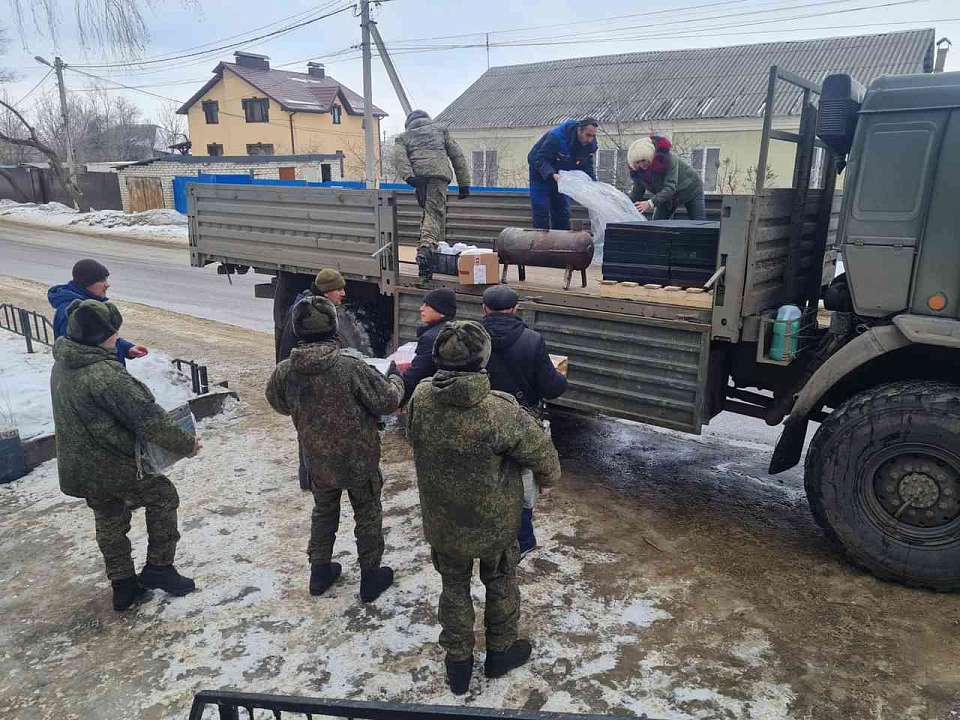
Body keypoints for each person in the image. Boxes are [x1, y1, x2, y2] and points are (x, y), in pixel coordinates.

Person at [406, 321, 561, 695]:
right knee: (501, 583)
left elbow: (412, 435)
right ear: (484, 358)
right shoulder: (501, 411)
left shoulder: (421, 399)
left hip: (444, 521)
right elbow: (547, 464)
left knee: (453, 587)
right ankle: (500, 652)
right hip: (496, 523)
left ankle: (458, 663)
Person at [51, 299, 200, 612]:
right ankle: (160, 568)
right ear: (98, 337)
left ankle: (123, 584)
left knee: (108, 518)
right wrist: (186, 444)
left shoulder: (64, 363)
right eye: (113, 333)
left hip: (80, 466)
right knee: (162, 496)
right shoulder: (106, 376)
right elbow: (149, 418)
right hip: (113, 463)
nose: (117, 337)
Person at [266, 295, 404, 602]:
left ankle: (319, 573)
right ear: (333, 326)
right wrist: (396, 378)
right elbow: (388, 401)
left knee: (323, 511)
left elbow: (278, 403)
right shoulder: (351, 367)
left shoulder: (286, 370)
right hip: (360, 458)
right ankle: (370, 576)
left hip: (316, 458)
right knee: (367, 513)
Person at [481, 285, 567, 558]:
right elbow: (551, 387)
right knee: (521, 482)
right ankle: (523, 539)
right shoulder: (532, 340)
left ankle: (488, 533)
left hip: (481, 418)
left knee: (485, 477)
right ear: (516, 309)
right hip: (521, 421)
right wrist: (561, 376)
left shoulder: (472, 338)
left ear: (484, 309)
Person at [394, 110, 472, 284]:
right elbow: (457, 156)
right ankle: (426, 249)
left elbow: (399, 158)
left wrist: (410, 178)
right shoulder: (440, 130)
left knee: (428, 213)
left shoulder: (403, 137)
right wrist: (464, 184)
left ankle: (429, 251)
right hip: (439, 176)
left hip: (419, 178)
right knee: (434, 213)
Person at [48, 259, 148, 366]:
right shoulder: (77, 312)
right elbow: (79, 352)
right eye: (101, 281)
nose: (107, 285)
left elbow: (101, 338)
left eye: (106, 280)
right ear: (86, 283)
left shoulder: (87, 307)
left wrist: (127, 348)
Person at [277, 268, 368, 362]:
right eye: (339, 289)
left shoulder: (322, 308)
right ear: (326, 292)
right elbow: (287, 349)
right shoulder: (303, 312)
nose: (343, 293)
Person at [527, 118, 599, 231]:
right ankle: (540, 242)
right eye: (588, 135)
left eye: (593, 136)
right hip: (540, 170)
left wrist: (594, 184)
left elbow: (587, 165)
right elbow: (540, 159)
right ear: (579, 131)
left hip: (561, 174)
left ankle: (561, 241)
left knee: (562, 210)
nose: (590, 139)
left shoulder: (590, 144)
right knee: (541, 208)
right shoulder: (556, 137)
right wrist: (551, 174)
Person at [627, 135, 706, 220]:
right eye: (638, 162)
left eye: (643, 160)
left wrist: (650, 203)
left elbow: (670, 188)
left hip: (691, 189)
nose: (642, 165)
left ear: (650, 156)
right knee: (657, 224)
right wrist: (625, 205)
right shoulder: (639, 171)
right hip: (666, 197)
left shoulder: (669, 160)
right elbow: (637, 193)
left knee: (698, 222)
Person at [401, 288, 457, 403]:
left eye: (427, 305)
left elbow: (417, 375)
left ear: (441, 311)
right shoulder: (452, 329)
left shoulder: (431, 338)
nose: (421, 308)